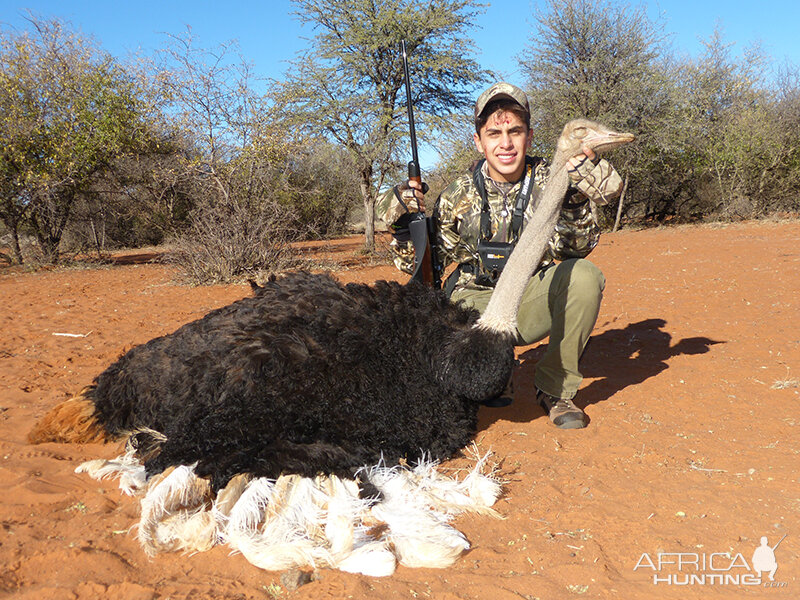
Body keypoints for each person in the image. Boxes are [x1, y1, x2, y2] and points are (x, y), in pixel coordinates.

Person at [377, 82, 625, 429]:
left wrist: (572, 200)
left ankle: (555, 388)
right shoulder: (457, 194)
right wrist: (404, 227)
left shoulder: (551, 177)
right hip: (474, 303)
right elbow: (422, 265)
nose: (505, 143)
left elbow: (575, 251)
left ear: (530, 136)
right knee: (441, 314)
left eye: (515, 131)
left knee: (584, 276)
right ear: (478, 141)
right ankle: (494, 371)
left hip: (528, 297)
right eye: (494, 133)